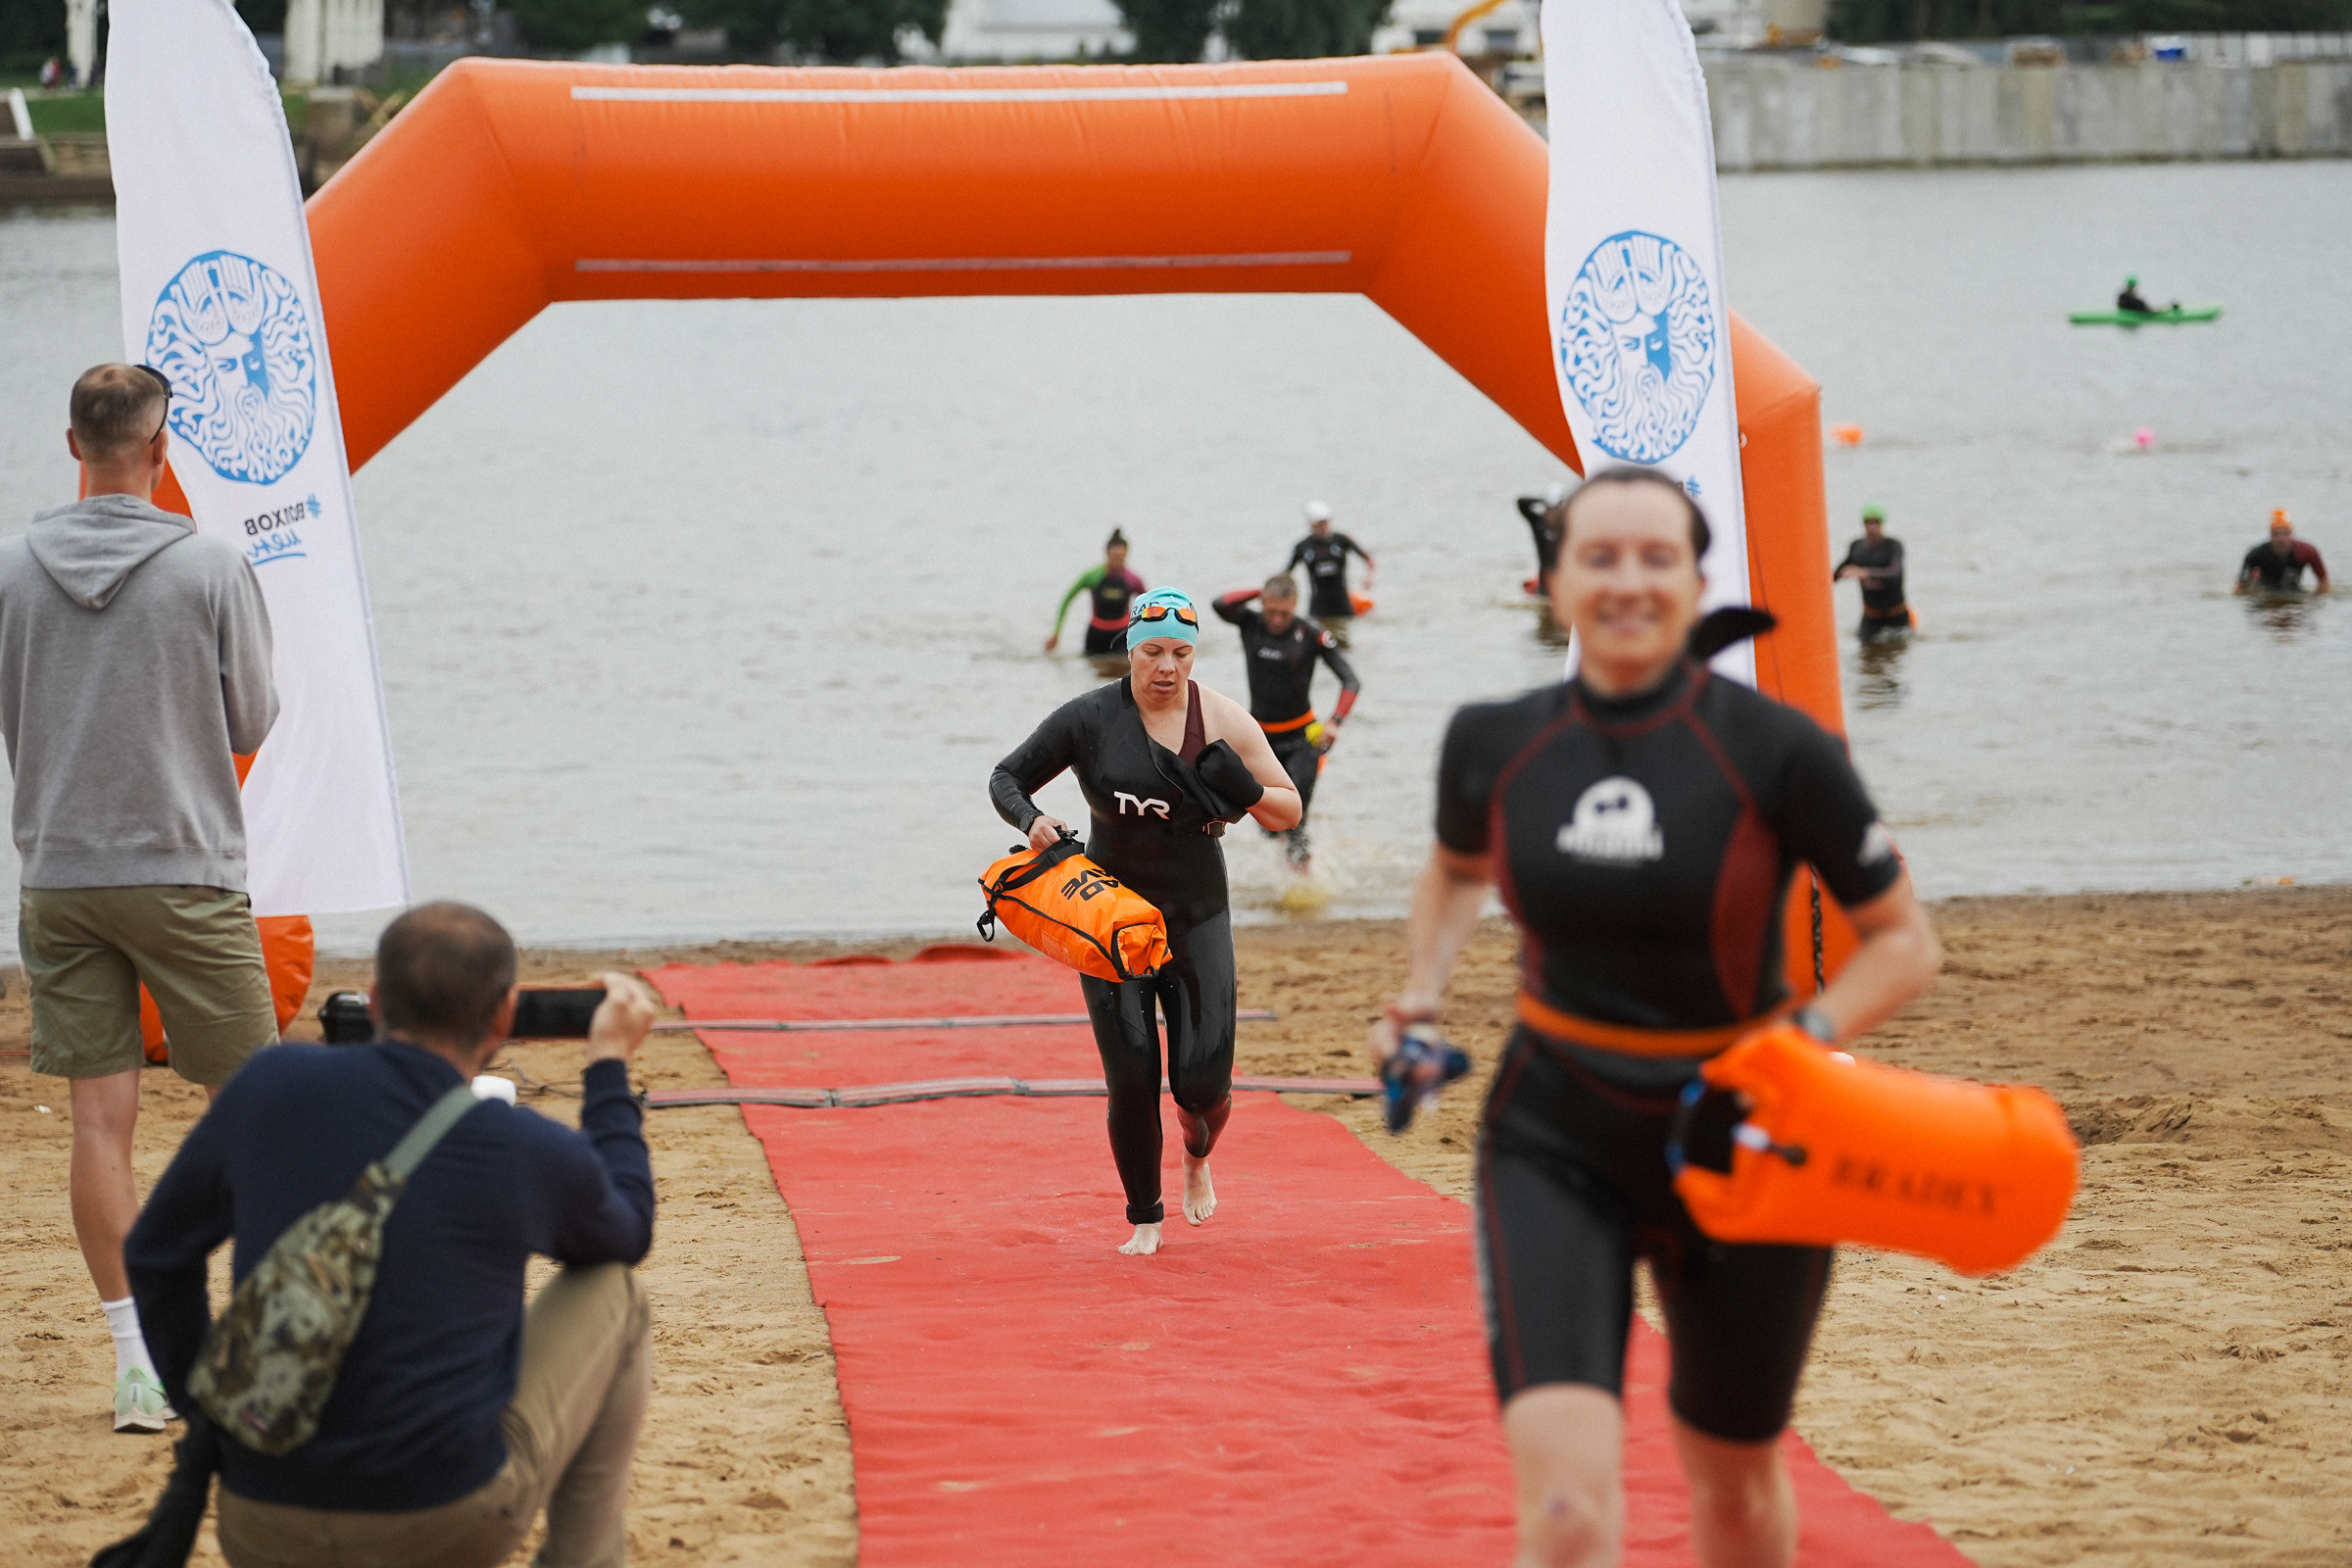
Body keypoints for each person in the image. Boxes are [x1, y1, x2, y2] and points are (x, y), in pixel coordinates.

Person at [1370, 467, 1940, 1568]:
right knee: (1569, 1516)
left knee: (1731, 1490)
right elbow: (1452, 869)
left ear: (1694, 579)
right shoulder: (1493, 739)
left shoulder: (1780, 749)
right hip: (1551, 1134)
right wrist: (1419, 997)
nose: (1627, 580)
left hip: (1747, 1139)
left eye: (1655, 557)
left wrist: (1797, 1040)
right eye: (1600, 557)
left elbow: (1905, 940)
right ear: (1553, 582)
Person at [125, 902, 662, 1568]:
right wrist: (608, 1067)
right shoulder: (522, 1145)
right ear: (503, 1017)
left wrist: (208, 1411)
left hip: (260, 1521)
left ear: (376, 1000)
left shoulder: (270, 1083)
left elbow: (154, 1253)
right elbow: (628, 1232)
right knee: (617, 1293)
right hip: (445, 1521)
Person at [0, 363, 279, 1434]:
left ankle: (136, 1368)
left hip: (60, 876)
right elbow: (250, 722)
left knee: (97, 1125)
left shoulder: (14, 570)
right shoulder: (210, 565)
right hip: (185, 868)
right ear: (163, 452)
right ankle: (245, 1354)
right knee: (252, 1113)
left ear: (72, 444)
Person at [991, 588, 1301, 1256]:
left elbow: (1289, 810)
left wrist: (1245, 790)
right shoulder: (1088, 719)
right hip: (1111, 921)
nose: (1167, 667)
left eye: (1181, 653)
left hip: (1196, 916)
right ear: (1130, 649)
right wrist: (1033, 822)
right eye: (1153, 652)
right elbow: (1008, 777)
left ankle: (1198, 1153)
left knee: (1200, 1083)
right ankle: (1145, 1217)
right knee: (1132, 1075)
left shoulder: (1222, 720)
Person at [1211, 574, 1359, 871]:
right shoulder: (1250, 623)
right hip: (1260, 740)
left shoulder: (1311, 633)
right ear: (1263, 604)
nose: (1277, 619)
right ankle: (1289, 867)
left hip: (1303, 739)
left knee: (1295, 814)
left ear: (1296, 605)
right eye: (1271, 611)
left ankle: (1304, 877)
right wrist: (1258, 590)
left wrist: (1335, 722)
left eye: (1285, 612)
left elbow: (1351, 681)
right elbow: (1220, 604)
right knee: (1267, 822)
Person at [1046, 528, 1148, 662]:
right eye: (1114, 556)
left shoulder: (1132, 580)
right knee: (1093, 676)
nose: (1118, 560)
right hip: (1096, 636)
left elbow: (1149, 607)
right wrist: (1056, 632)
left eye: (1121, 556)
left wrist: (1149, 637)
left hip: (1122, 636)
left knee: (1122, 676)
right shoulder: (1093, 576)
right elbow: (1067, 600)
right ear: (1107, 553)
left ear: (1126, 554)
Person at [1286, 501, 1375, 639]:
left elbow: (1368, 559)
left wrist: (1369, 576)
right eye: (1319, 524)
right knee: (1317, 641)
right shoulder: (1302, 547)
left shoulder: (1342, 540)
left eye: (1326, 523)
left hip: (1342, 603)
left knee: (1345, 644)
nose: (1323, 527)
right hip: (1318, 606)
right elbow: (1287, 574)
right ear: (1311, 525)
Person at [1833, 504, 1911, 640]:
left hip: (1896, 615)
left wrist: (1865, 572)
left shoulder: (1893, 546)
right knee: (1864, 655)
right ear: (1863, 524)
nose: (1872, 526)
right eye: (1869, 522)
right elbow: (1837, 574)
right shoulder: (1857, 547)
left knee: (1897, 654)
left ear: (1882, 523)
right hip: (1871, 617)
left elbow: (1894, 573)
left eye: (1876, 522)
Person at [2235, 509, 2329, 595]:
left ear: (2292, 534)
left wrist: (2316, 600)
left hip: (2293, 592)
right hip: (2264, 592)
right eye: (2276, 534)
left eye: (2286, 533)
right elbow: (2240, 587)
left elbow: (2324, 580)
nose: (2281, 539)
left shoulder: (2306, 552)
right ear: (2271, 536)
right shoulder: (2256, 555)